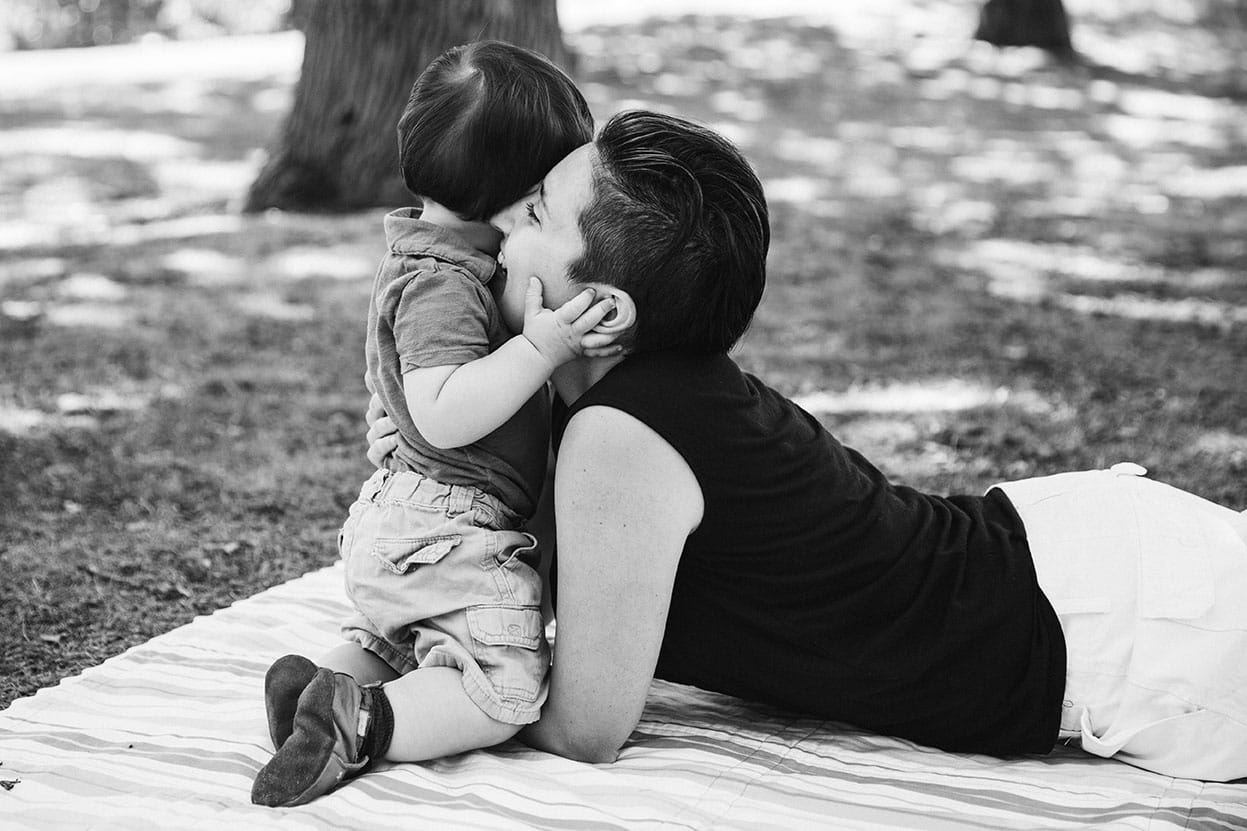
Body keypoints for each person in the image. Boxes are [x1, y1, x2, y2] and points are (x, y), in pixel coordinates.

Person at [370, 109, 1247, 783]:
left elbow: (582, 726)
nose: (491, 230)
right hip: (1069, 559)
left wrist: (422, 706)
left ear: (600, 311)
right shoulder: (620, 399)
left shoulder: (620, 433)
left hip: (1124, 635)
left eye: (531, 212)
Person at [249, 42, 621, 808]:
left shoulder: (423, 255)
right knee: (502, 688)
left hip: (407, 525)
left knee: (396, 638)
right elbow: (444, 411)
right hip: (448, 526)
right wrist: (540, 346)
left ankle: (319, 690)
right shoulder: (445, 282)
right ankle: (364, 722)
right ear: (519, 196)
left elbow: (399, 387)